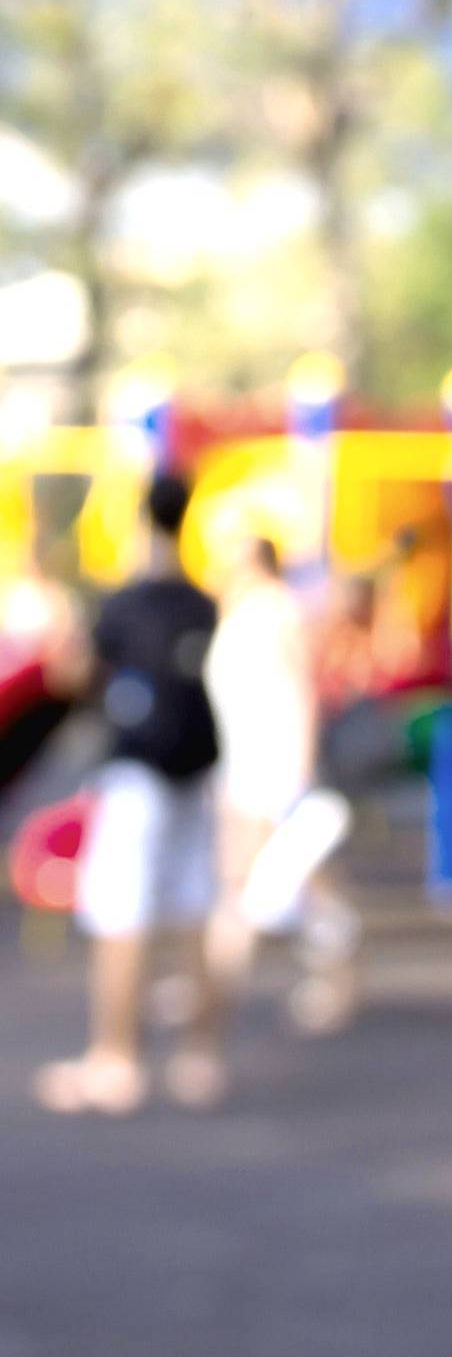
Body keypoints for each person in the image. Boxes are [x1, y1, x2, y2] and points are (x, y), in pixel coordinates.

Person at [33, 470, 227, 1114]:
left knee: (123, 914)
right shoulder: (204, 603)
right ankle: (199, 1056)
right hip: (196, 774)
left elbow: (72, 672)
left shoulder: (124, 603)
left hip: (139, 772)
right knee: (194, 909)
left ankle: (115, 1059)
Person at [200, 531, 322, 1034]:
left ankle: (332, 971)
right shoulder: (235, 613)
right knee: (243, 880)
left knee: (287, 878)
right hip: (239, 762)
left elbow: (303, 687)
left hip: (272, 763)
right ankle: (214, 980)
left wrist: (301, 762)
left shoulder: (278, 610)